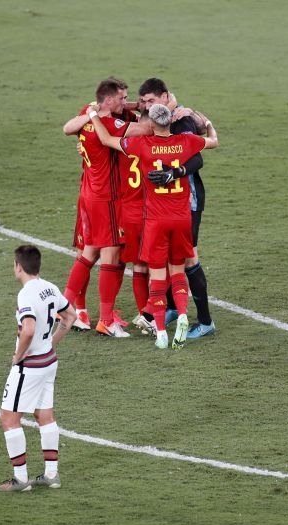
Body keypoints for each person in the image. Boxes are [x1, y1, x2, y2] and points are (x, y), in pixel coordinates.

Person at [88, 103, 218, 349]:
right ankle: (182, 315)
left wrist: (94, 115)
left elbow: (106, 140)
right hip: (181, 218)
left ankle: (160, 331)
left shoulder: (141, 145)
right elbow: (213, 141)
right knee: (178, 271)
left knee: (157, 276)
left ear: (152, 125)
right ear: (170, 122)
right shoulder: (185, 142)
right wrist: (208, 123)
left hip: (155, 220)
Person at [61, 78, 151, 338]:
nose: (127, 102)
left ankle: (68, 308)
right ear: (109, 100)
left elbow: (68, 128)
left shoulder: (90, 112)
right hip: (107, 198)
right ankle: (103, 319)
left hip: (89, 193)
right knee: (110, 256)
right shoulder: (110, 123)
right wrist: (168, 108)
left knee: (89, 252)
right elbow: (145, 130)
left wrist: (91, 114)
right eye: (123, 98)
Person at [0, 245, 77, 492]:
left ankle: (20, 480)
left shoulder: (26, 295)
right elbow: (70, 316)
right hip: (49, 362)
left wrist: (18, 356)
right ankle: (51, 474)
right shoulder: (50, 287)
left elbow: (28, 330)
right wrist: (51, 343)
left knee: (9, 419)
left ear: (18, 266)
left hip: (29, 367)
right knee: (44, 416)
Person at [137, 78, 215, 339]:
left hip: (188, 200)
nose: (147, 106)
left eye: (151, 101)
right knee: (169, 255)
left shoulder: (180, 120)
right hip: (168, 205)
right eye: (144, 102)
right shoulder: (163, 117)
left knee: (189, 256)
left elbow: (198, 158)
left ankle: (205, 321)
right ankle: (170, 307)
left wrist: (175, 173)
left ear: (165, 96)